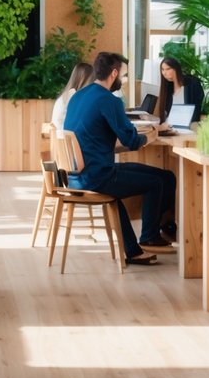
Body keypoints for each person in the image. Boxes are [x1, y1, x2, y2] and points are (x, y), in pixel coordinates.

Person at [62, 52, 178, 263]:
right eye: (124, 76)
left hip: (77, 176)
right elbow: (132, 141)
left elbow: (95, 137)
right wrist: (153, 133)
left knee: (163, 176)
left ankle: (134, 250)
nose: (123, 81)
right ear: (114, 73)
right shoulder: (109, 100)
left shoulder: (78, 96)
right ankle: (151, 237)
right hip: (99, 177)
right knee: (160, 180)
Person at [157, 56, 205, 125]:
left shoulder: (192, 84)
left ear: (176, 69)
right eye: (162, 69)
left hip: (188, 126)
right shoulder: (167, 89)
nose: (164, 73)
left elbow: (197, 106)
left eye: (168, 69)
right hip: (171, 126)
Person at [51, 62, 93, 130]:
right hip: (66, 139)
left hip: (58, 139)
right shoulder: (74, 97)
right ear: (84, 80)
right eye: (91, 82)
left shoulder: (66, 96)